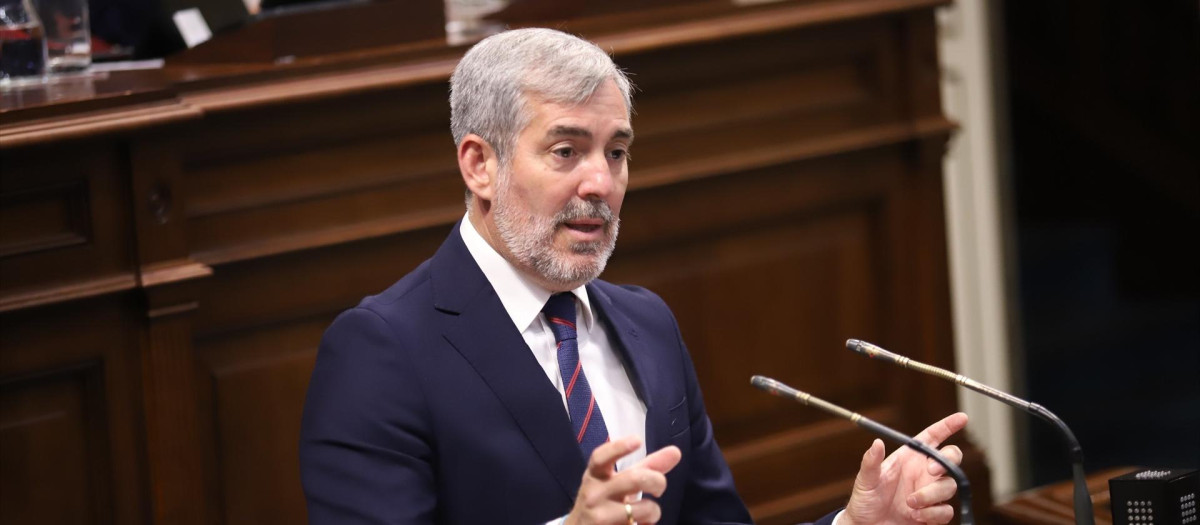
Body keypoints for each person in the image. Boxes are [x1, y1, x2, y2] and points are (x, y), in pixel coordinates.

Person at [299, 27, 968, 525]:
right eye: (566, 151)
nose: (602, 182)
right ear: (480, 164)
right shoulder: (381, 349)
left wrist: (856, 522)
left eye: (616, 152)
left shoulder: (646, 322)